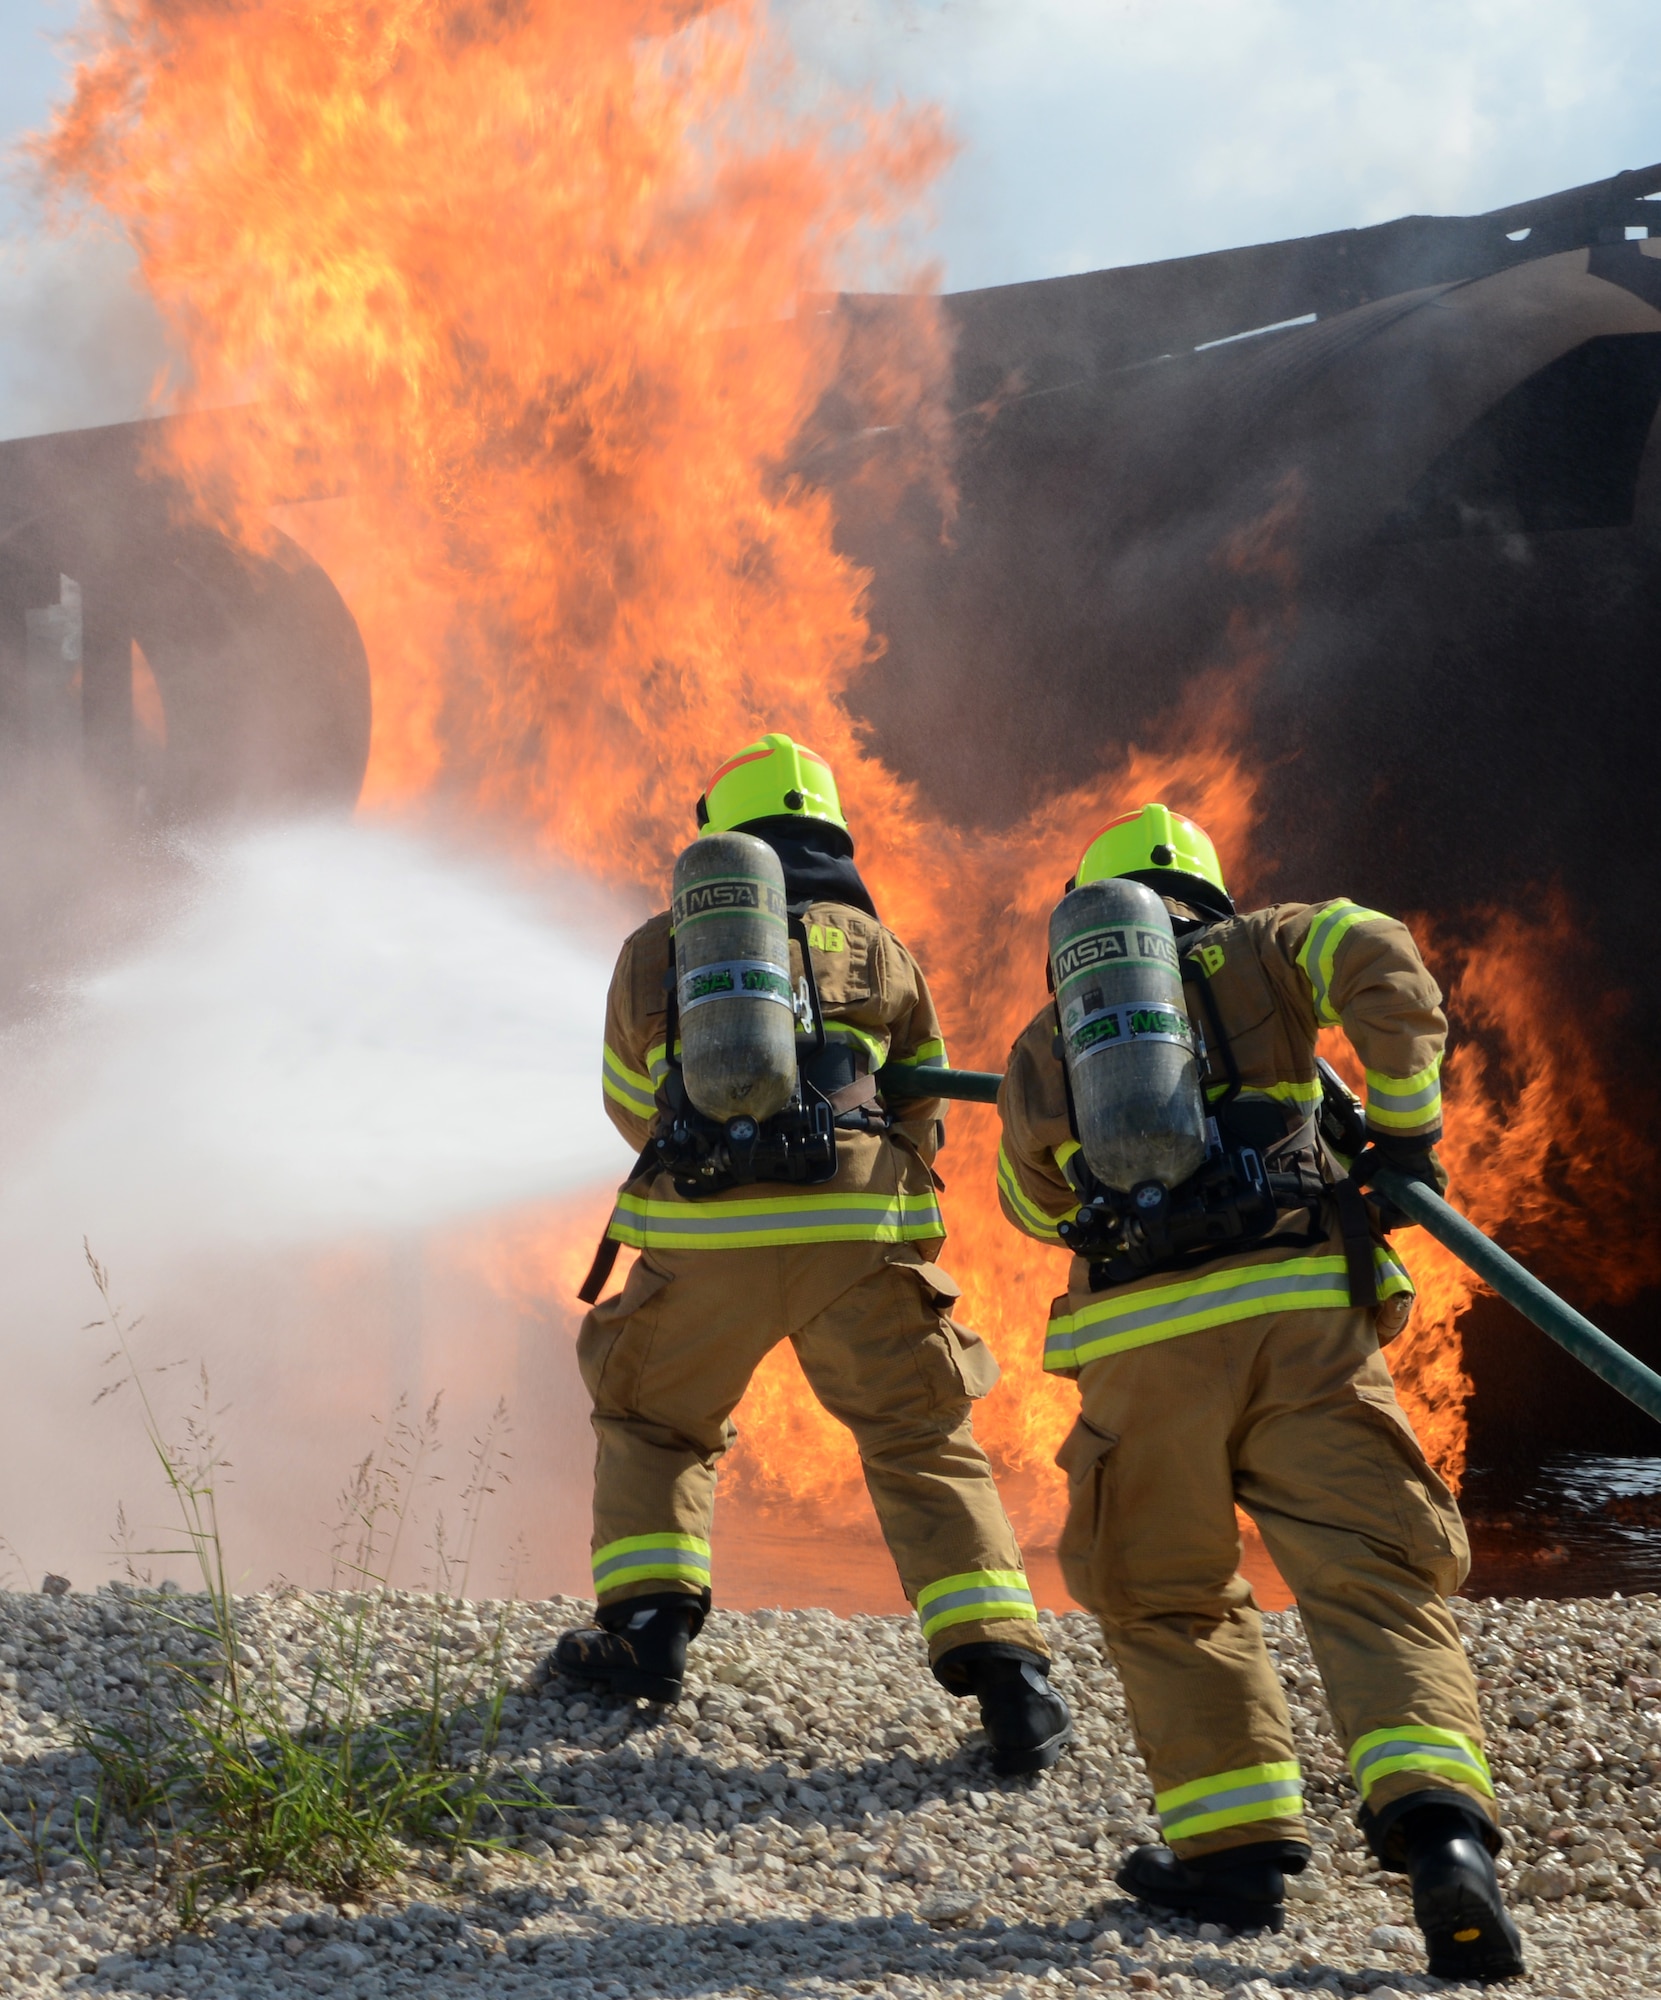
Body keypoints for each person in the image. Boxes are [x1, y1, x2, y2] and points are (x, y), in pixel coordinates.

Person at [996, 802, 1523, 1981]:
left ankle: (1232, 1856)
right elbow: (1385, 960)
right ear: (1205, 893)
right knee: (1372, 1578)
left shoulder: (1049, 1039)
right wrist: (1402, 1131)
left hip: (1140, 1343)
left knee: (1170, 1594)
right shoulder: (1272, 944)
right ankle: (1440, 1833)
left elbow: (1029, 1206)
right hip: (1302, 1321)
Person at [551, 732, 1071, 1776]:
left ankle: (647, 1633)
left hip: (704, 1231)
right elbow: (921, 1098)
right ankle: (1009, 1675)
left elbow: (624, 1102)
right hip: (856, 1225)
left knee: (654, 1418)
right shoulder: (879, 949)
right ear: (832, 836)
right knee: (919, 1436)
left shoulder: (657, 948)